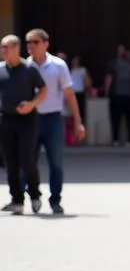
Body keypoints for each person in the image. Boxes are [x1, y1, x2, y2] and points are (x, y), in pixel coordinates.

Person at [26, 29, 85, 215]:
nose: (31, 46)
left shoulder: (58, 66)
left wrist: (78, 122)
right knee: (28, 161)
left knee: (55, 162)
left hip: (53, 119)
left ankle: (55, 200)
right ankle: (33, 195)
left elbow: (69, 95)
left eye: (35, 42)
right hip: (31, 120)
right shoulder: (25, 66)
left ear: (45, 44)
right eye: (28, 42)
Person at [1, 34, 47, 215]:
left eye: (7, 47)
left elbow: (43, 90)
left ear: (17, 48)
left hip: (27, 120)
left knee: (26, 159)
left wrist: (32, 104)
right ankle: (17, 200)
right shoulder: (0, 70)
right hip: (6, 119)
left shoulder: (29, 70)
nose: (3, 50)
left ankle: (35, 194)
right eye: (2, 47)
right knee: (10, 162)